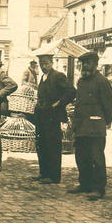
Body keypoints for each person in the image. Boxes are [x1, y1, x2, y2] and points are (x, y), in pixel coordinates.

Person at [68, 51, 112, 200]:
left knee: (97, 158)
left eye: (88, 64)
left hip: (95, 128)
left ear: (95, 65)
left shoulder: (101, 81)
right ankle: (85, 184)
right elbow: (79, 104)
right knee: (81, 157)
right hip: (82, 126)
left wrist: (104, 122)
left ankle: (98, 188)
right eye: (83, 64)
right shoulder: (81, 82)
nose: (85, 67)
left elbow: (110, 106)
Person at [32, 53, 76, 184]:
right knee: (42, 144)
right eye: (41, 64)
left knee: (53, 145)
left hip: (53, 116)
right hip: (42, 116)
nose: (43, 66)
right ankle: (43, 172)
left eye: (46, 63)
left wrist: (58, 103)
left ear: (51, 62)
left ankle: (54, 176)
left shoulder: (58, 76)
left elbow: (71, 92)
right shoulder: (43, 77)